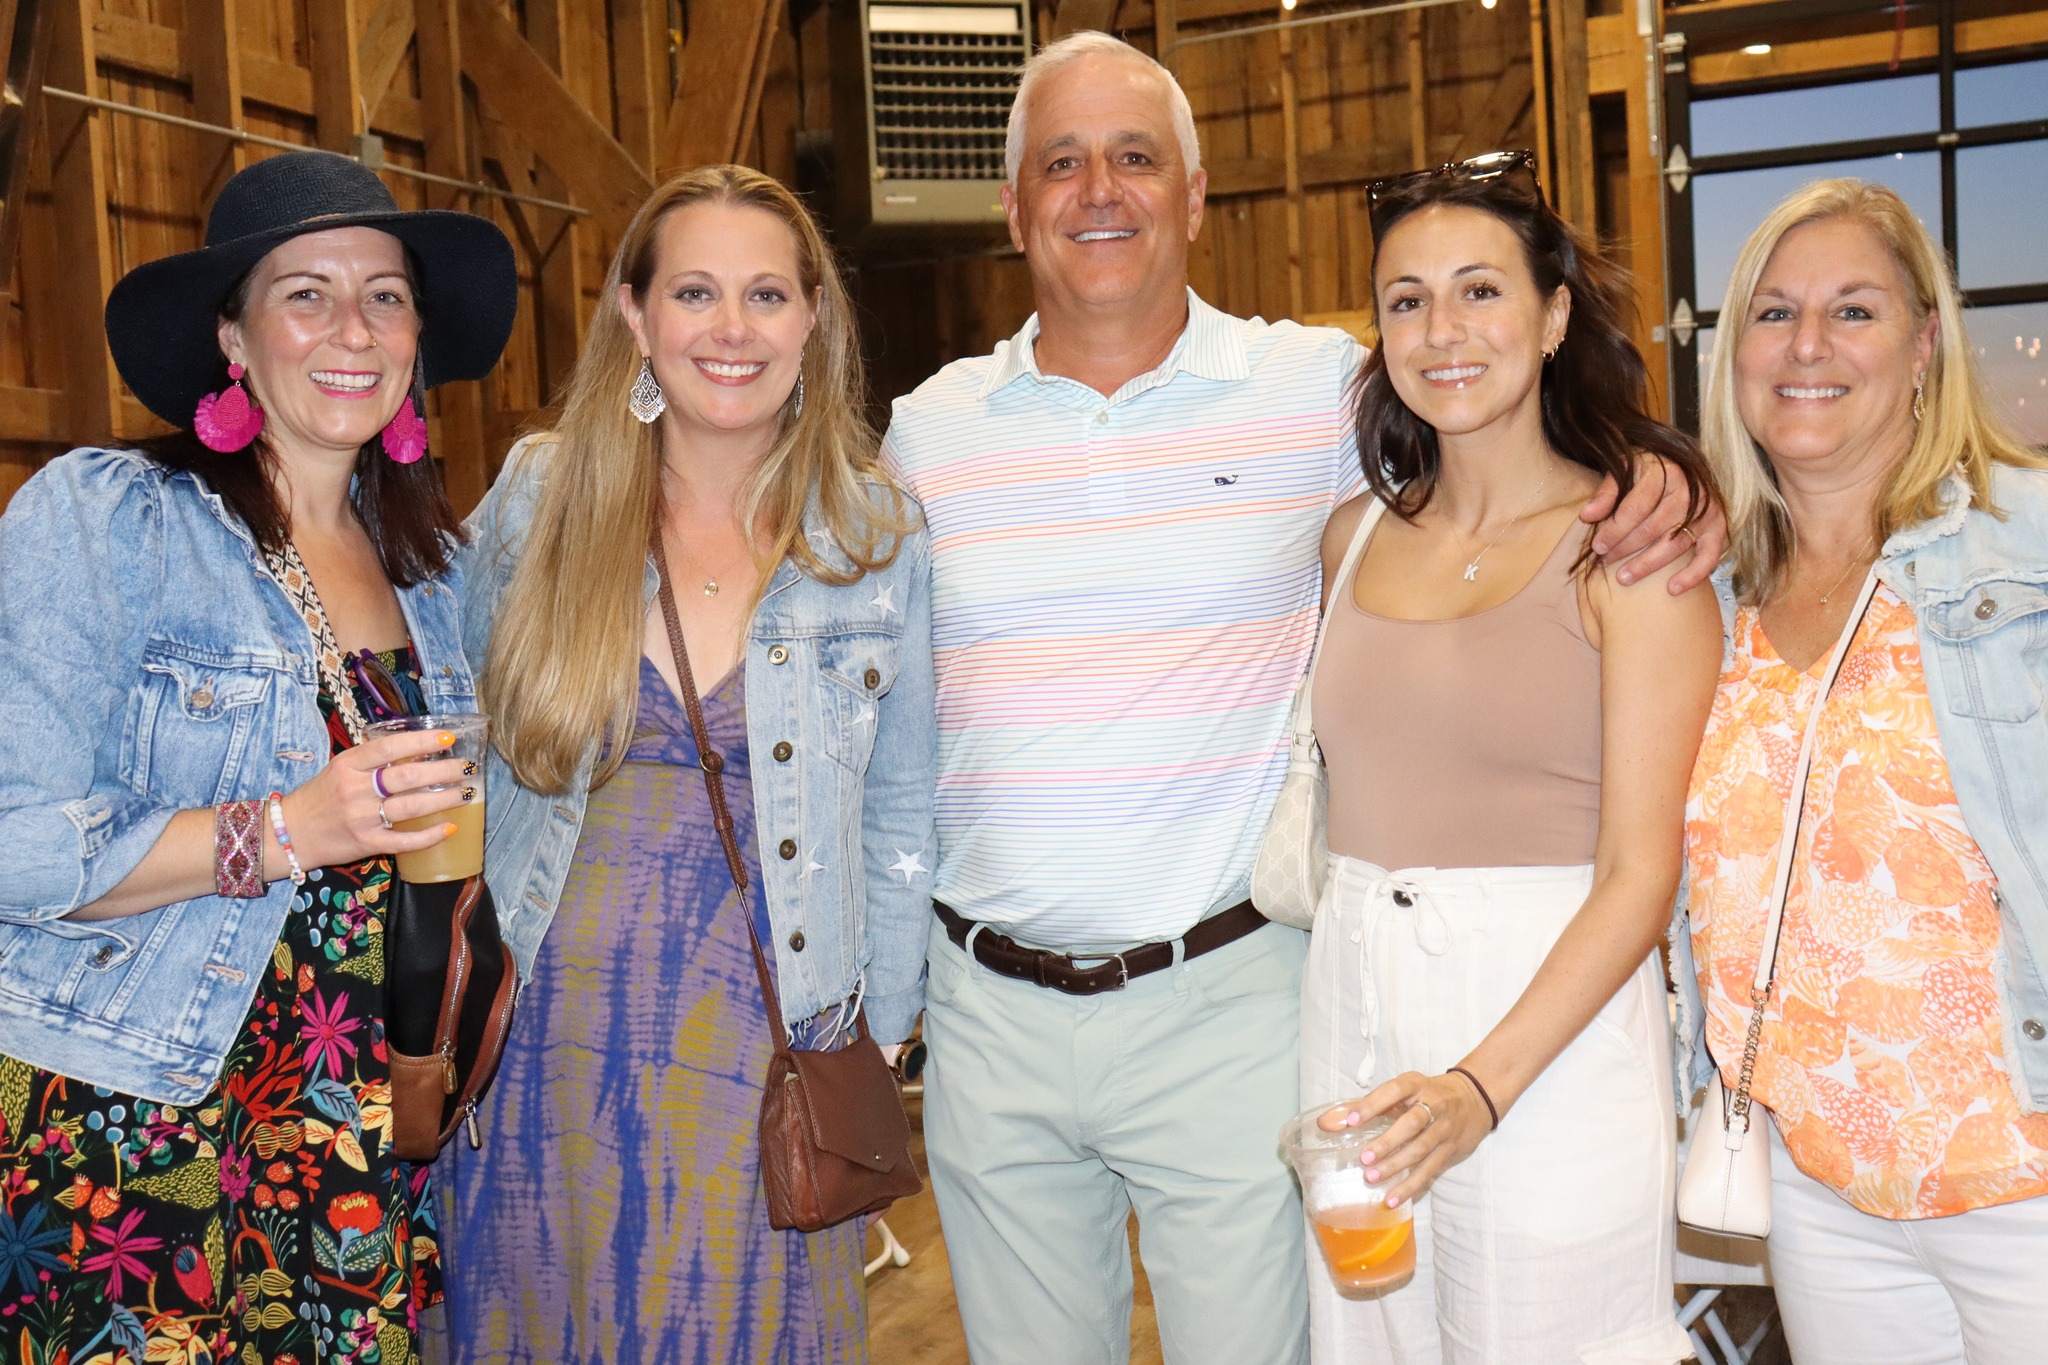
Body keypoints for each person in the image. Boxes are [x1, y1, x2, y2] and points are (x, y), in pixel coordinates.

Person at [881, 32, 1724, 1365]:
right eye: (1062, 161)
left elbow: (1501, 424)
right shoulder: (929, 428)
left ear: (1198, 195)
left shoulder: (1307, 390)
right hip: (995, 1015)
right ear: (1013, 208)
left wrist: (1666, 476)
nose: (1100, 188)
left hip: (1230, 1003)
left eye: (1136, 156)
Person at [0, 151, 516, 1364]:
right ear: (233, 336)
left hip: (351, 1129)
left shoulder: (438, 583)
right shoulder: (109, 516)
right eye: (306, 293)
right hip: (133, 1121)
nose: (354, 328)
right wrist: (282, 831)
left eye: (385, 295)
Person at [431, 164, 934, 1364]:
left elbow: (902, 802)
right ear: (633, 316)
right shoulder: (541, 497)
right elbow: (448, 733)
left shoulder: (872, 534)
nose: (730, 329)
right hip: (546, 1025)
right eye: (695, 291)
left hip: (766, 1032)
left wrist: (887, 1025)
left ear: (814, 319)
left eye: (767, 295)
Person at [1301, 151, 1719, 1365]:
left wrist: (1477, 1087)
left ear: (1548, 317)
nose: (1442, 330)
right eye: (1405, 299)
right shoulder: (1347, 539)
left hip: (1549, 1025)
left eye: (1479, 292)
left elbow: (1641, 876)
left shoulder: (1630, 549)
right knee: (1368, 1341)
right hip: (1352, 1004)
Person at [1681, 178, 2048, 1365]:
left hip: (2022, 1175)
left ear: (1924, 342)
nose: (1804, 347)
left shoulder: (2028, 548)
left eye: (1852, 311)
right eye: (1772, 313)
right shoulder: (1702, 600)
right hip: (1819, 1187)